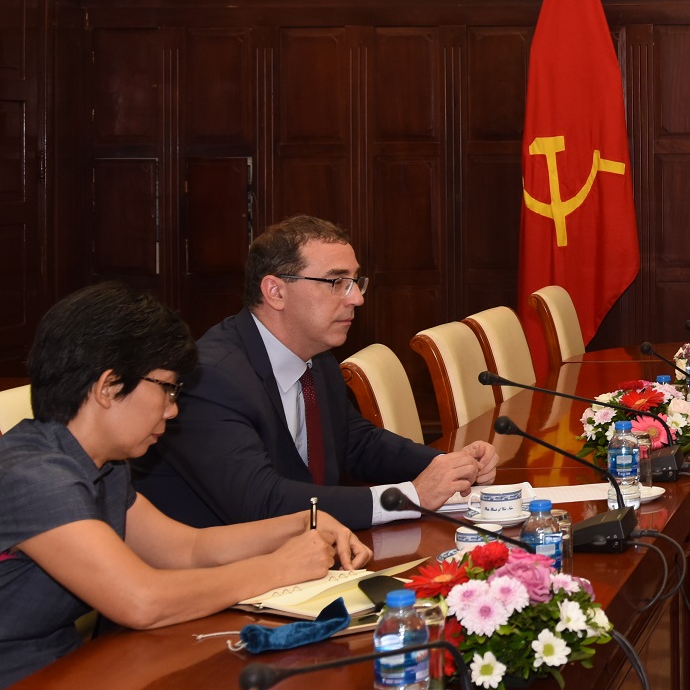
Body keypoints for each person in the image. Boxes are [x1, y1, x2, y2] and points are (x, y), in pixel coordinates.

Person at [0, 283, 369, 690]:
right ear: (108, 386)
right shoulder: (33, 476)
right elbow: (141, 601)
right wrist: (278, 568)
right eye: (167, 389)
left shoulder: (100, 463)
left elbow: (186, 549)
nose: (173, 410)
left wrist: (299, 522)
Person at [137, 215, 496, 529]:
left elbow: (354, 442)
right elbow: (260, 502)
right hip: (220, 574)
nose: (356, 298)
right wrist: (407, 498)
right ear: (275, 291)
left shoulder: (316, 356)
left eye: (355, 281)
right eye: (336, 282)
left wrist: (449, 466)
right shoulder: (211, 378)